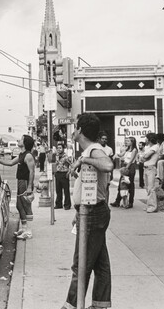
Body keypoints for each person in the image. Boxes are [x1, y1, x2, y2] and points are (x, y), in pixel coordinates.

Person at [62, 113, 114, 309]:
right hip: (90, 211)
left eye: (76, 127)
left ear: (80, 131)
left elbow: (108, 165)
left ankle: (71, 305)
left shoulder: (93, 150)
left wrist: (84, 161)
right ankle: (100, 304)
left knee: (80, 265)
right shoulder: (90, 151)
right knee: (100, 264)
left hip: (93, 212)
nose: (74, 130)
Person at [0, 134, 35, 240]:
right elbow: (11, 163)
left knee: (26, 206)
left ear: (25, 143)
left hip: (25, 182)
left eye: (21, 139)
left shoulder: (28, 156)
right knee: (19, 205)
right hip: (20, 181)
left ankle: (28, 231)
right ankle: (24, 228)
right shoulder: (22, 154)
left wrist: (30, 186)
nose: (19, 140)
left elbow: (32, 172)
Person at [110, 137, 138, 209]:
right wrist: (116, 154)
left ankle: (130, 202)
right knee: (121, 184)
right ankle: (117, 201)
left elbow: (131, 160)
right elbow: (121, 155)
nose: (127, 142)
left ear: (132, 142)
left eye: (128, 141)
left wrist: (126, 169)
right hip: (125, 165)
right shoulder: (127, 149)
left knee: (130, 184)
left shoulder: (134, 150)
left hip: (130, 167)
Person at [140, 132, 159, 213]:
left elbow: (146, 156)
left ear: (150, 139)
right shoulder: (148, 147)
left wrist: (144, 157)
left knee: (151, 188)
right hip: (146, 168)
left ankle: (153, 207)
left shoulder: (155, 146)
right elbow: (142, 158)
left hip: (151, 168)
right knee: (147, 188)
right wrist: (143, 157)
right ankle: (149, 205)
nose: (145, 139)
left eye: (146, 138)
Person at [54, 143, 73, 210]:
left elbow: (71, 165)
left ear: (63, 149)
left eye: (60, 148)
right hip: (58, 173)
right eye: (58, 148)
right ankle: (59, 204)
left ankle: (67, 205)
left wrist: (69, 172)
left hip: (64, 174)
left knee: (66, 190)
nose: (59, 149)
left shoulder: (66, 157)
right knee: (58, 190)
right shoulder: (56, 156)